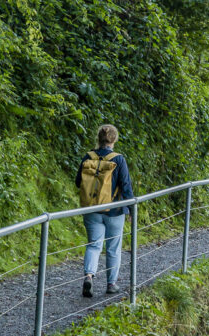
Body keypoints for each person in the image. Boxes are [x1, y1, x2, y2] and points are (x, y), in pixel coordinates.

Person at [75, 124, 134, 297]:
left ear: (98, 138)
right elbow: (126, 186)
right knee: (113, 248)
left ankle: (89, 276)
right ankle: (111, 284)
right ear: (114, 139)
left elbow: (79, 182)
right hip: (114, 210)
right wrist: (130, 208)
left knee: (94, 245)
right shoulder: (118, 159)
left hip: (92, 209)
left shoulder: (88, 156)